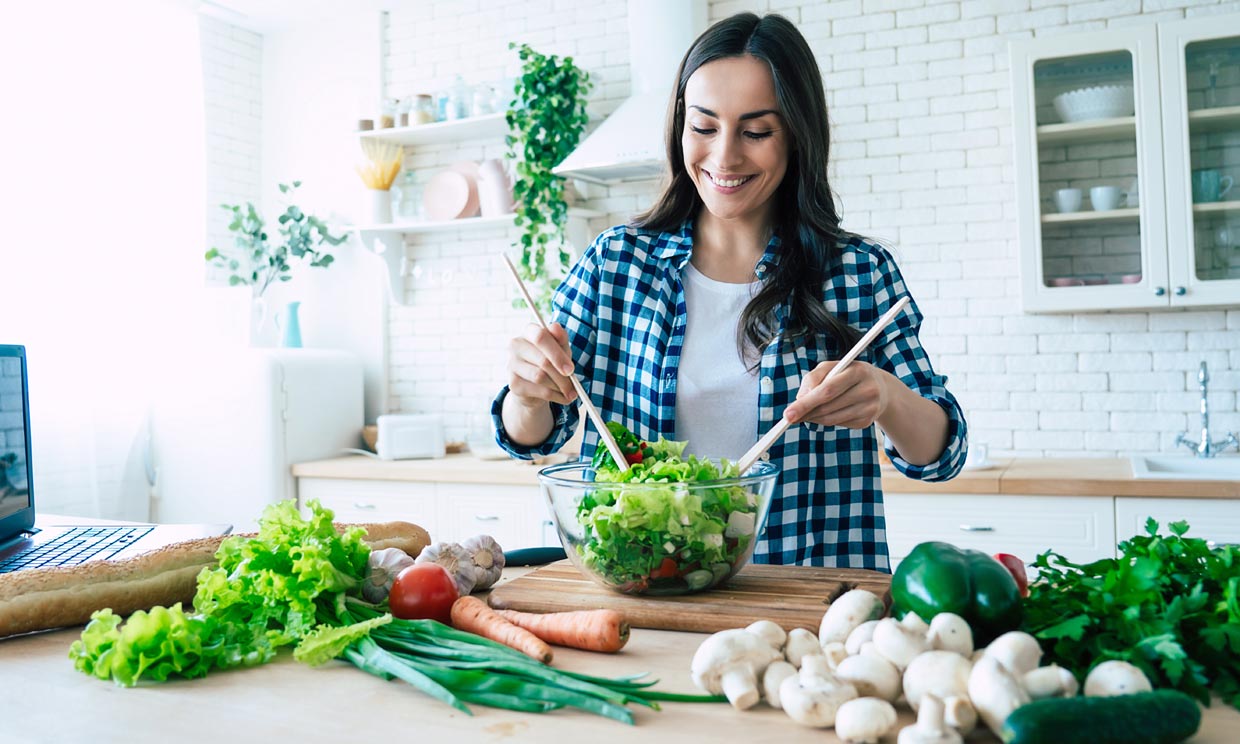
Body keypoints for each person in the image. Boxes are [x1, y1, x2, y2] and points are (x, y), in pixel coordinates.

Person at [491, 12, 967, 571]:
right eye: (704, 126)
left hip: (805, 600)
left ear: (797, 134)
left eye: (756, 131)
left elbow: (942, 454)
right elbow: (536, 440)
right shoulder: (615, 264)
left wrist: (886, 398)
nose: (724, 157)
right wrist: (526, 394)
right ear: (680, 127)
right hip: (643, 595)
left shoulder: (859, 273)